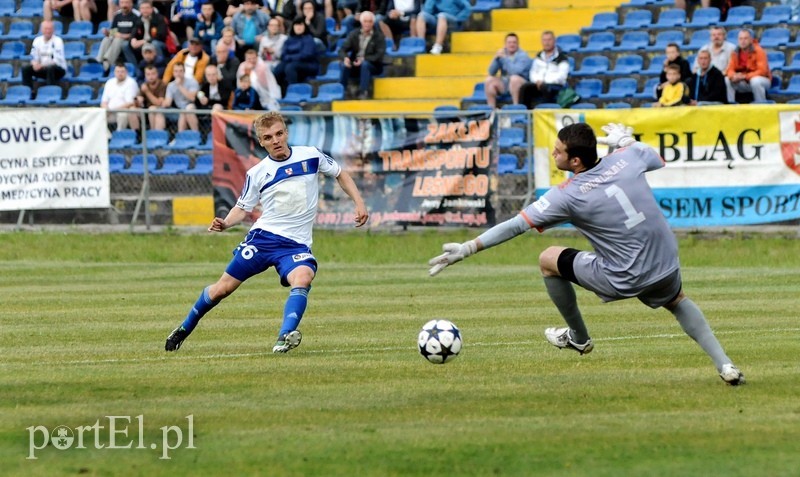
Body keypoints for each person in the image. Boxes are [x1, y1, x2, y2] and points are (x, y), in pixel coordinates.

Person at [428, 122, 745, 386]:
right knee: (677, 302)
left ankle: (579, 337)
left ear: (575, 161)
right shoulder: (628, 157)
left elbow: (515, 225)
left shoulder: (566, 196)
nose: (554, 153)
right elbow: (656, 158)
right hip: (665, 261)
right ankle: (726, 365)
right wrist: (626, 141)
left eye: (559, 151)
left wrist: (467, 248)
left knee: (548, 259)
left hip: (623, 275)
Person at [164, 111, 369, 354]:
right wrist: (226, 223)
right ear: (261, 142)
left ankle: (285, 336)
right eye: (268, 137)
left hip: (296, 245)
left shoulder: (311, 155)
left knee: (303, 278)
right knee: (222, 289)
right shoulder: (258, 173)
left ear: (286, 133)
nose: (276, 140)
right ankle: (184, 329)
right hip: (263, 239)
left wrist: (359, 203)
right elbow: (242, 208)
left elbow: (339, 173)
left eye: (279, 134)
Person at [339, 10, 386, 99]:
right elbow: (342, 50)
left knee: (365, 65)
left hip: (373, 65)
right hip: (356, 64)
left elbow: (379, 55)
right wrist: (345, 58)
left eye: (370, 21)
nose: (367, 24)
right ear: (361, 22)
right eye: (365, 21)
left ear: (373, 23)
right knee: (344, 65)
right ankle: (342, 91)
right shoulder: (354, 34)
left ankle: (363, 91)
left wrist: (364, 59)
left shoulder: (379, 36)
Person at [518, 30, 569, 109]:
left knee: (545, 88)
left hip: (555, 86)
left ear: (554, 41)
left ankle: (543, 113)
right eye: (544, 40)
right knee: (525, 88)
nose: (547, 43)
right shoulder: (538, 57)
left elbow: (562, 77)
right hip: (539, 84)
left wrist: (544, 81)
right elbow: (533, 72)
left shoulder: (562, 58)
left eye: (549, 40)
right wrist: (538, 81)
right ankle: (524, 114)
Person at [273, 17, 320, 96]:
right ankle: (278, 94)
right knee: (278, 68)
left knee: (290, 67)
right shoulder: (289, 40)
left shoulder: (308, 39)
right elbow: (283, 55)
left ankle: (294, 93)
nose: (298, 27)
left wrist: (290, 57)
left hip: (308, 65)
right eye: (296, 25)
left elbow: (306, 55)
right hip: (291, 63)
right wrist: (289, 58)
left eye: (301, 25)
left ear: (304, 27)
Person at [483, 33, 531, 109]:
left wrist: (504, 59)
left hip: (521, 85)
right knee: (489, 80)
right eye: (509, 43)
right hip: (506, 84)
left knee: (514, 79)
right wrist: (496, 58)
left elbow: (514, 71)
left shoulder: (523, 56)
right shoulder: (502, 54)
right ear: (505, 44)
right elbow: (491, 72)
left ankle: (516, 108)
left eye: (514, 42)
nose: (511, 45)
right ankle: (491, 110)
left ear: (518, 44)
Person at [725, 29, 771, 104]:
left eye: (745, 38)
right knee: (727, 80)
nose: (743, 41)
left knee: (755, 81)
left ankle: (760, 105)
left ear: (751, 40)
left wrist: (745, 76)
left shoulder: (759, 51)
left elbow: (762, 71)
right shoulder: (735, 52)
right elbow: (730, 69)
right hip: (744, 81)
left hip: (762, 80)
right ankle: (731, 105)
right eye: (740, 39)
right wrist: (733, 76)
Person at [95, 0, 140, 71]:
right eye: (122, 3)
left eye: (126, 3)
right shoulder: (117, 15)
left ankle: (107, 62)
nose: (124, 5)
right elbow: (113, 30)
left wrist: (122, 36)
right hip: (117, 37)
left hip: (129, 40)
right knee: (106, 39)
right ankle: (99, 59)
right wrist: (107, 32)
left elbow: (136, 34)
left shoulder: (136, 16)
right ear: (119, 4)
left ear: (131, 4)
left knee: (118, 40)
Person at [22, 20, 67, 88]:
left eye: (50, 29)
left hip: (58, 69)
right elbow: (33, 56)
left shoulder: (58, 41)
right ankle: (30, 91)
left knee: (50, 68)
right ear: (42, 30)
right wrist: (35, 64)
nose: (48, 31)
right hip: (42, 68)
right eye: (46, 29)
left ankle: (50, 91)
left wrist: (42, 65)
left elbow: (56, 60)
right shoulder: (37, 40)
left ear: (53, 30)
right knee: (26, 69)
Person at [101, 63, 140, 131]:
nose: (120, 74)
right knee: (99, 115)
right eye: (118, 71)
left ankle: (120, 135)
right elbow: (104, 101)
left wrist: (114, 110)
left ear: (126, 72)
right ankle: (108, 137)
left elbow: (130, 103)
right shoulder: (109, 82)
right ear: (114, 72)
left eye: (122, 71)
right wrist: (107, 109)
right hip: (110, 111)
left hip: (124, 111)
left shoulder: (131, 82)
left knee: (122, 114)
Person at [163, 62, 200, 132]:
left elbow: (192, 98)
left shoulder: (192, 82)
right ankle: (179, 137)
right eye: (176, 71)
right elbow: (168, 102)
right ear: (173, 73)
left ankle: (196, 134)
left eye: (180, 71)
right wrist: (162, 102)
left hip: (192, 107)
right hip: (178, 110)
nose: (178, 73)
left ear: (184, 72)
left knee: (187, 109)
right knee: (156, 110)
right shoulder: (171, 85)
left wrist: (179, 86)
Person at [135, 64, 167, 130]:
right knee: (132, 109)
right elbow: (138, 104)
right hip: (146, 111)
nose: (151, 76)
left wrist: (147, 92)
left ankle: (152, 133)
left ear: (157, 74)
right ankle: (136, 133)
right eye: (148, 74)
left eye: (153, 74)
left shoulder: (162, 85)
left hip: (161, 110)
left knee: (152, 108)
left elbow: (159, 103)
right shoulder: (144, 85)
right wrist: (137, 101)